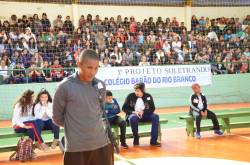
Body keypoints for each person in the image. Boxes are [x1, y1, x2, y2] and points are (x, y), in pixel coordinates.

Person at [53, 49, 114, 165]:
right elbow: (56, 117)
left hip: (101, 144)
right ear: (79, 64)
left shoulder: (100, 85)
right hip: (76, 148)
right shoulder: (64, 87)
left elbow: (99, 112)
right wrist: (76, 127)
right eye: (89, 67)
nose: (93, 72)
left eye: (96, 68)